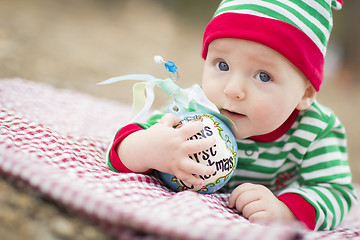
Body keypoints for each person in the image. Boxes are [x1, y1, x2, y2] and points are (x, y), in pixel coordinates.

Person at [105, 0, 356, 230]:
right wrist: (145, 149)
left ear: (305, 94)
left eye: (264, 76)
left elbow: (336, 191)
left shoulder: (315, 130)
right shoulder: (197, 109)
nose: (233, 90)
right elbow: (123, 143)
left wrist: (286, 210)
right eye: (222, 65)